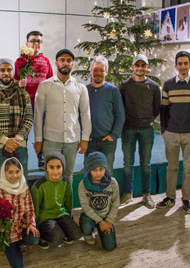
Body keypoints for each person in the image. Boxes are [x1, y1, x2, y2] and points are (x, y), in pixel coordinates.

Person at [34, 49, 91, 185]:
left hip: (72, 139)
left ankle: (67, 206)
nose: (65, 63)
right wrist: (38, 139)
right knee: (50, 175)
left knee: (68, 176)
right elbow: (38, 114)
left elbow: (85, 114)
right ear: (56, 63)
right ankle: (51, 206)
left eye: (69, 61)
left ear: (73, 64)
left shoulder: (80, 88)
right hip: (51, 139)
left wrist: (85, 139)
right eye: (62, 60)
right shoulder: (45, 86)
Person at [157, 51, 190, 214]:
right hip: (172, 133)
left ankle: (186, 200)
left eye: (186, 63)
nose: (183, 66)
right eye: (180, 63)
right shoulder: (168, 85)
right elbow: (163, 109)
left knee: (189, 169)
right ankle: (170, 197)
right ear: (176, 66)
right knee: (172, 167)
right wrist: (164, 129)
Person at [0, 58, 33, 185]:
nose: (6, 73)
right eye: (2, 70)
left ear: (13, 71)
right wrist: (5, 140)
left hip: (19, 145)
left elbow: (29, 117)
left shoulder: (23, 93)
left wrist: (18, 138)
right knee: (0, 185)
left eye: (9, 70)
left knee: (22, 184)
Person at [119, 54, 161, 207]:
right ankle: (128, 194)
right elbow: (120, 107)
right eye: (137, 65)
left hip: (146, 130)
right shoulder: (124, 86)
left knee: (145, 163)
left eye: (143, 65)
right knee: (127, 163)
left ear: (147, 68)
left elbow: (157, 108)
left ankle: (146, 194)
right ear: (132, 67)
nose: (140, 68)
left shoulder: (154, 87)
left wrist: (147, 119)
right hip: (128, 129)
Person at [0, 158, 39, 268]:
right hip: (7, 233)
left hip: (21, 227)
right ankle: (5, 246)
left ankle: (19, 244)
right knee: (18, 265)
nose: (14, 175)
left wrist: (31, 224)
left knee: (35, 238)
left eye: (17, 171)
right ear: (4, 173)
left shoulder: (24, 188)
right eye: (10, 172)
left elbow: (30, 210)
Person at [14, 30, 53, 168]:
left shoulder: (46, 61)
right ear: (27, 43)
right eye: (33, 41)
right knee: (22, 131)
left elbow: (51, 82)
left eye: (39, 41)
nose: (36, 44)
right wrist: (19, 83)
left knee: (42, 131)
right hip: (25, 102)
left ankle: (41, 157)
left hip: (42, 102)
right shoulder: (20, 61)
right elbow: (14, 81)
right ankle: (19, 160)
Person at [31, 152, 82, 249]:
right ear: (46, 168)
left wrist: (69, 221)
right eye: (51, 167)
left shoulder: (66, 183)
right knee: (56, 237)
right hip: (45, 216)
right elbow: (35, 208)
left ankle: (61, 229)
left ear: (63, 168)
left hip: (61, 214)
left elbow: (68, 204)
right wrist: (36, 225)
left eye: (58, 167)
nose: (55, 171)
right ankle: (42, 235)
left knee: (77, 235)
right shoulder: (39, 186)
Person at [85, 56, 125, 175]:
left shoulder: (113, 91)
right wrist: (84, 135)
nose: (98, 73)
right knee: (89, 172)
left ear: (106, 72)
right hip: (90, 140)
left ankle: (106, 194)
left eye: (101, 70)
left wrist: (113, 135)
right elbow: (79, 114)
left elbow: (120, 114)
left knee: (107, 173)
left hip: (107, 141)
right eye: (95, 70)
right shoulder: (84, 90)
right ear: (91, 71)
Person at [78, 152, 119, 251]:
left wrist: (109, 221)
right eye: (94, 170)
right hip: (90, 217)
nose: (98, 173)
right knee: (86, 225)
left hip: (106, 217)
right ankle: (87, 234)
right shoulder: (83, 184)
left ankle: (102, 230)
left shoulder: (113, 183)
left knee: (110, 247)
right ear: (89, 170)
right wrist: (99, 221)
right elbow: (85, 206)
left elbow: (116, 203)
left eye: (101, 169)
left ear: (105, 168)